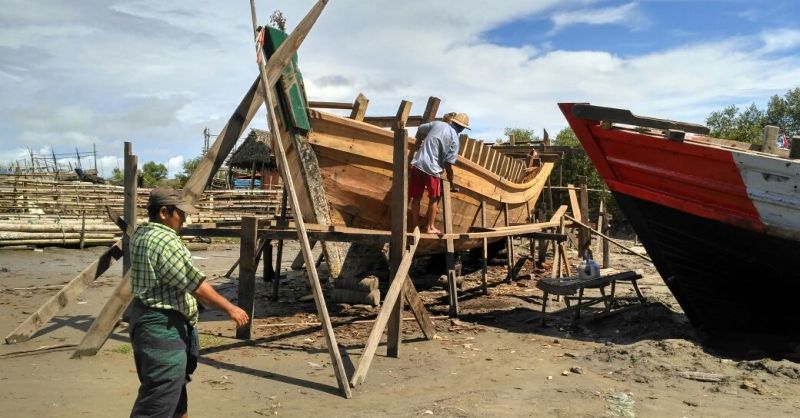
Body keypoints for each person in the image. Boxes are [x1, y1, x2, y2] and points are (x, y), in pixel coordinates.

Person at [129, 187, 249, 418]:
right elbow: (197, 286)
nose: (184, 218)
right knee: (158, 400)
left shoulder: (141, 233)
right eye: (180, 213)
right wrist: (230, 308)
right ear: (164, 212)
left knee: (173, 391)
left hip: (145, 319)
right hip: (162, 327)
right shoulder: (165, 241)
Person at [409, 112, 470, 234]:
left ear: (453, 121)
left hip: (418, 163)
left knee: (416, 197)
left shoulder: (437, 124)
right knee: (434, 198)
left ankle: (414, 226)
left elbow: (421, 129)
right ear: (462, 128)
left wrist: (424, 138)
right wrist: (450, 176)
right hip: (433, 169)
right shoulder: (455, 140)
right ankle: (430, 227)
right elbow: (448, 163)